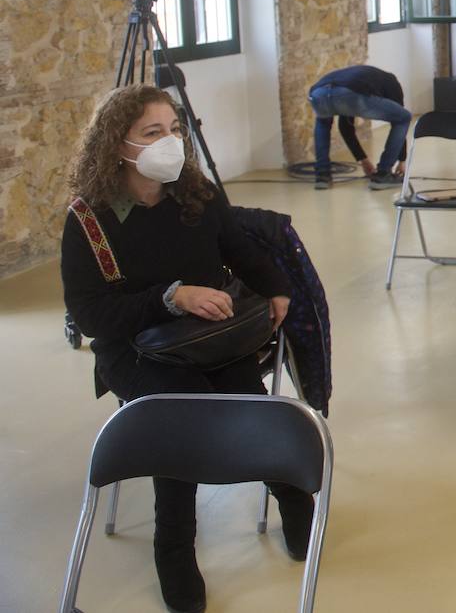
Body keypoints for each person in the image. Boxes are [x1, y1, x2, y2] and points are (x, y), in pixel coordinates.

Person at [59, 84, 314, 613]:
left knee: (248, 401)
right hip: (137, 350)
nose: (170, 142)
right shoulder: (90, 219)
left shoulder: (194, 192)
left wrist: (277, 288)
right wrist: (171, 298)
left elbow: (238, 250)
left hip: (211, 340)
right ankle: (173, 548)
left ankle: (291, 499)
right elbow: (92, 317)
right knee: (183, 422)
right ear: (118, 145)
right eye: (152, 133)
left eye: (174, 130)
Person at [308, 64, 410, 191]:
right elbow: (399, 120)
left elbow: (346, 127)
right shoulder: (392, 83)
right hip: (349, 93)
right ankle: (383, 174)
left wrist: (363, 160)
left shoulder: (363, 77)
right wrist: (402, 161)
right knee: (404, 117)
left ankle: (322, 176)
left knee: (323, 123)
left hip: (318, 93)